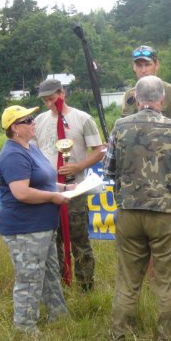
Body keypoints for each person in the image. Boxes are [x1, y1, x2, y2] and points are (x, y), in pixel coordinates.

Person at [103, 75, 171, 341]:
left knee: (128, 279)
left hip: (129, 212)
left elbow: (109, 171)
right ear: (162, 100)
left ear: (136, 98)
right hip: (163, 214)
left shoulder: (119, 127)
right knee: (168, 280)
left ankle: (120, 339)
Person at [0, 105, 70, 333]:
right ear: (15, 128)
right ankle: (25, 328)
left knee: (50, 274)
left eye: (31, 119)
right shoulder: (12, 155)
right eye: (27, 120)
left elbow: (44, 181)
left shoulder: (32, 148)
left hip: (45, 226)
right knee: (29, 279)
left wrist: (68, 187)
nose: (33, 123)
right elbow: (21, 192)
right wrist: (54, 197)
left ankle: (58, 317)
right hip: (25, 229)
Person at [33, 78, 104, 292]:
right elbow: (34, 152)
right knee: (53, 242)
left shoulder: (82, 118)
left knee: (79, 241)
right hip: (48, 190)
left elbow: (99, 151)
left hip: (75, 190)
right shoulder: (39, 121)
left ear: (62, 93)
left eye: (52, 99)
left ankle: (85, 288)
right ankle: (58, 288)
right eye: (45, 100)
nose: (49, 104)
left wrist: (77, 166)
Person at [121, 45, 171, 140]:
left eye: (147, 65)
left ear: (157, 65)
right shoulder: (127, 96)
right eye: (139, 65)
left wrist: (154, 141)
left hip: (165, 152)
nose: (143, 70)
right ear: (133, 67)